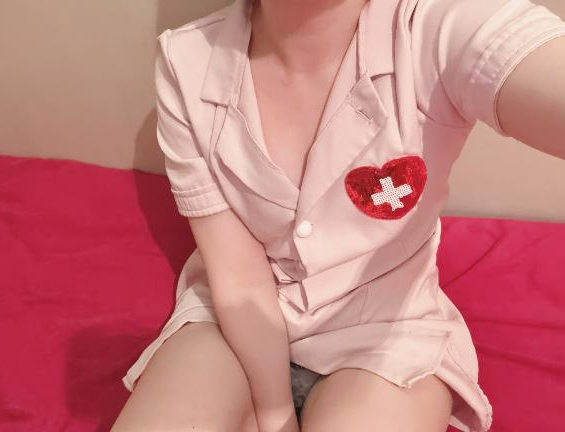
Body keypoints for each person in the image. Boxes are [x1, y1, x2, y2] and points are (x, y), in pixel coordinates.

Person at [111, 0, 565, 431]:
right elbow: (238, 276)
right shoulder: (186, 60)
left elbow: (515, 53)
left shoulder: (434, 29)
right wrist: (275, 414)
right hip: (231, 322)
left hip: (387, 328)